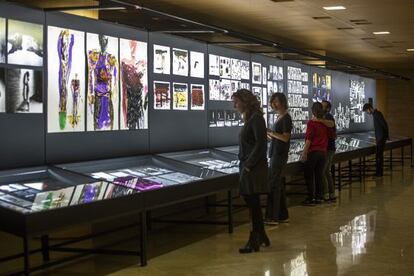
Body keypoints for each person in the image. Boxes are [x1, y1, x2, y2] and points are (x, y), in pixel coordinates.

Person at [232, 89, 269, 254]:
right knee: (252, 203)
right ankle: (260, 235)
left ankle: (254, 239)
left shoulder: (256, 119)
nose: (235, 105)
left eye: (236, 102)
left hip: (253, 169)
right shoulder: (251, 118)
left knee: (252, 203)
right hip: (249, 167)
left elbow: (261, 145)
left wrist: (248, 164)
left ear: (245, 101)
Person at [265, 93, 292, 225]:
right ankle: (282, 215)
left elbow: (286, 137)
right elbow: (278, 137)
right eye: (273, 102)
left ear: (282, 102)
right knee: (278, 185)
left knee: (274, 185)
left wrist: (271, 132)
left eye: (276, 101)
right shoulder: (279, 117)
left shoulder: (286, 118)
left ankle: (273, 216)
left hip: (279, 155)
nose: (274, 104)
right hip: (275, 154)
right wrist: (269, 135)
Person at [301, 102, 329, 205]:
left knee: (309, 175)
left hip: (313, 152)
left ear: (313, 111)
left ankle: (311, 197)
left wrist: (304, 152)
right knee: (319, 175)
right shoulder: (324, 123)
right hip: (323, 152)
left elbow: (309, 138)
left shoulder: (311, 123)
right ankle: (319, 197)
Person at [317, 100, 337, 202]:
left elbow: (331, 124)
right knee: (326, 171)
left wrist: (318, 120)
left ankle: (326, 194)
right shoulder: (325, 117)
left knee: (324, 171)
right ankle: (331, 193)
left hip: (329, 148)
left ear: (328, 108)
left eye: (323, 106)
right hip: (328, 148)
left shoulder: (328, 116)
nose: (321, 108)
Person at [363, 103, 389, 176]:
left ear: (369, 108)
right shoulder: (375, 114)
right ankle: (378, 172)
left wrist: (386, 136)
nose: (367, 113)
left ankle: (379, 173)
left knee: (379, 156)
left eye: (366, 111)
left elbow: (384, 125)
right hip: (379, 138)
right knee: (378, 156)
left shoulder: (377, 114)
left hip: (381, 138)